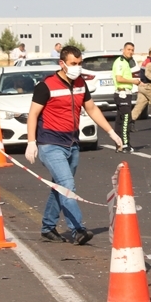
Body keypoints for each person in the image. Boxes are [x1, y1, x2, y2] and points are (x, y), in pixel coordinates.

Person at [26, 46, 123, 244]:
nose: (77, 68)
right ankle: (77, 229)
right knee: (67, 185)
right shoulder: (46, 86)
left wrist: (111, 132)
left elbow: (92, 108)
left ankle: (47, 227)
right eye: (73, 64)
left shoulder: (80, 83)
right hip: (50, 143)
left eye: (80, 64)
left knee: (60, 186)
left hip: (72, 143)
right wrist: (31, 142)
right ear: (62, 63)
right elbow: (33, 114)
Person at [111, 42, 141, 152]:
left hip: (126, 93)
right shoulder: (120, 62)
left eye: (132, 50)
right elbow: (119, 78)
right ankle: (125, 144)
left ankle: (119, 144)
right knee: (126, 119)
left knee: (120, 120)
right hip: (122, 93)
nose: (131, 52)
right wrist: (133, 81)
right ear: (123, 50)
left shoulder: (127, 63)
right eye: (128, 49)